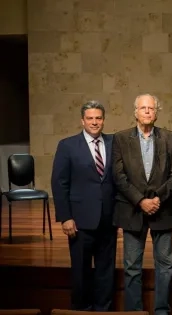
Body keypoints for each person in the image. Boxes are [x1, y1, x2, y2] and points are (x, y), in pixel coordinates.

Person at [112, 94, 172, 315]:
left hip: (162, 208)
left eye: (151, 108)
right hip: (132, 209)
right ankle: (135, 311)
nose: (148, 111)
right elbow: (119, 176)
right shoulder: (121, 138)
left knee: (166, 266)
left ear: (156, 112)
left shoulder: (170, 138)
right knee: (132, 267)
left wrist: (157, 198)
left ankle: (162, 310)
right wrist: (140, 200)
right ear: (135, 112)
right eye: (143, 108)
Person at [52, 101, 117, 311]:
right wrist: (65, 217)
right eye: (90, 118)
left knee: (105, 271)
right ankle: (81, 310)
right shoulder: (67, 145)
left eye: (98, 118)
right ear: (82, 120)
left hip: (108, 219)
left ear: (104, 120)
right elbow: (59, 183)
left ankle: (103, 309)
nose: (94, 122)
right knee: (80, 271)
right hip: (79, 221)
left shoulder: (114, 143)